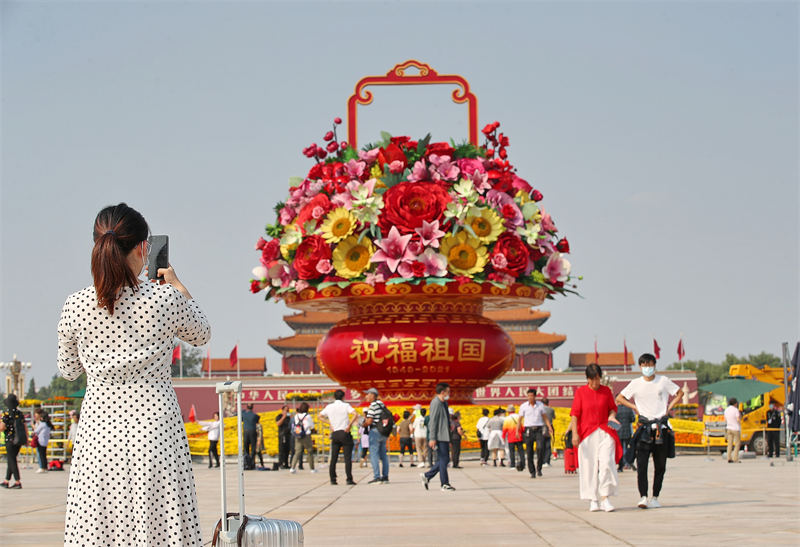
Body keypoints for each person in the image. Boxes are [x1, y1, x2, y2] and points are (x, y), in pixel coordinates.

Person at [57, 203, 211, 546]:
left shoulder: (76, 304)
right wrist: (178, 285)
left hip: (99, 433)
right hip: (155, 429)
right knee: (160, 523)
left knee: (101, 525)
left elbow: (68, 370)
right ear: (144, 247)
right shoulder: (164, 298)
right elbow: (201, 333)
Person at [617, 353, 683, 510]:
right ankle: (643, 496)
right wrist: (635, 408)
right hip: (644, 428)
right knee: (641, 465)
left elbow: (680, 392)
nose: (647, 368)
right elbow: (620, 398)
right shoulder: (635, 383)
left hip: (661, 427)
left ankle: (655, 496)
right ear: (640, 367)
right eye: (644, 365)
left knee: (660, 465)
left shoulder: (663, 381)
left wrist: (669, 407)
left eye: (650, 365)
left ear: (655, 365)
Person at [569, 364, 622, 512]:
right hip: (587, 433)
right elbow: (575, 414)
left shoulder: (606, 391)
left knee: (607, 463)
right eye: (592, 380)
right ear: (587, 379)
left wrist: (612, 416)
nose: (595, 383)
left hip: (606, 432)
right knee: (589, 466)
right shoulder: (581, 392)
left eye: (597, 379)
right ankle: (593, 498)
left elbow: (612, 408)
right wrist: (575, 433)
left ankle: (605, 498)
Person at [420, 383, 455, 491]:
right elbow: (433, 421)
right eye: (448, 392)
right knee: (444, 459)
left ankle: (427, 476)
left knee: (444, 459)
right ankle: (444, 483)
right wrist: (432, 437)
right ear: (442, 392)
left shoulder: (444, 403)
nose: (449, 394)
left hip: (444, 435)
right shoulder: (435, 403)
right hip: (439, 436)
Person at [319, 389, 356, 485]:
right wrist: (349, 425)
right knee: (347, 458)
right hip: (344, 432)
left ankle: (333, 479)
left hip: (335, 433)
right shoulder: (346, 405)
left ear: (334, 397)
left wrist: (330, 423)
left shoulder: (329, 406)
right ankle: (349, 478)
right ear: (343, 397)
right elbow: (355, 414)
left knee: (334, 458)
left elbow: (320, 416)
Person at [519, 388, 554, 478]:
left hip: (539, 429)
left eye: (532, 396)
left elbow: (545, 417)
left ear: (535, 396)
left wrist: (549, 427)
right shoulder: (523, 406)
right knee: (529, 451)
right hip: (528, 429)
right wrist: (517, 431)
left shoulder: (540, 405)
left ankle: (539, 468)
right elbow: (520, 419)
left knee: (540, 448)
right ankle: (532, 471)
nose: (530, 398)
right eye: (528, 396)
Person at [363, 387, 391, 484]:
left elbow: (370, 421)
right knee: (383, 455)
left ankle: (377, 476)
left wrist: (363, 424)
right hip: (383, 431)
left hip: (375, 431)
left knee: (374, 454)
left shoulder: (373, 406)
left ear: (372, 395)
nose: (366, 396)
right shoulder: (381, 404)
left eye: (368, 394)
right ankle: (385, 476)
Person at [0, 394, 25, 489]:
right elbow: (24, 427)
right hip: (18, 440)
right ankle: (6, 480)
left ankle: (17, 481)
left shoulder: (6, 414)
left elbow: (2, 427)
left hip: (9, 440)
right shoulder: (20, 413)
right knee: (11, 459)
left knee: (12, 460)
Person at [290, 402, 316, 473]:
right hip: (306, 435)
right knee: (310, 451)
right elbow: (312, 426)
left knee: (297, 452)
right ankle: (312, 468)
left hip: (298, 435)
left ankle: (292, 467)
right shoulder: (308, 416)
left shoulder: (296, 416)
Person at [503, 404, 524, 471]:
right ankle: (523, 464)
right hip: (519, 436)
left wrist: (503, 437)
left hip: (511, 438)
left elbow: (504, 430)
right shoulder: (519, 417)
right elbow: (523, 427)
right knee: (521, 451)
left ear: (508, 411)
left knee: (511, 452)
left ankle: (512, 465)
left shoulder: (507, 419)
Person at [33, 409, 54, 473]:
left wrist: (33, 426)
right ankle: (45, 467)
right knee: (44, 455)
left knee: (41, 455)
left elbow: (36, 431)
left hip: (40, 440)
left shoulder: (42, 424)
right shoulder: (48, 424)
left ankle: (42, 467)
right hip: (45, 441)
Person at [616, 403, 635, 472]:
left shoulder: (616, 409)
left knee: (620, 449)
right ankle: (628, 463)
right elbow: (633, 419)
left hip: (618, 431)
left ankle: (620, 466)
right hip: (627, 431)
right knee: (627, 448)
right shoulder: (629, 409)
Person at [240, 404, 260, 470]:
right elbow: (257, 420)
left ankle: (246, 463)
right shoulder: (255, 415)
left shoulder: (243, 414)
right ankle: (252, 463)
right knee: (253, 448)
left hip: (246, 432)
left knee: (246, 448)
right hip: (252, 431)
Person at [724, 398, 742, 463]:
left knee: (730, 444)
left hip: (728, 428)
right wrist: (740, 422)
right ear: (735, 403)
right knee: (737, 444)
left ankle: (729, 458)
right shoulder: (736, 410)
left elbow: (725, 420)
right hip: (735, 428)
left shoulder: (726, 410)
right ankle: (735, 458)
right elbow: (738, 419)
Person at [541, 398, 556, 467]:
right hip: (549, 427)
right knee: (548, 445)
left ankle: (542, 461)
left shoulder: (540, 409)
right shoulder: (551, 409)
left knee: (541, 445)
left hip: (541, 427)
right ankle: (547, 461)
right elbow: (554, 417)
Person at [275, 404, 291, 469]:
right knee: (282, 450)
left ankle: (286, 464)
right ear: (283, 410)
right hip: (282, 435)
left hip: (288, 435)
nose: (287, 412)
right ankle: (280, 463)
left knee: (287, 450)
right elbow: (278, 424)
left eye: (288, 410)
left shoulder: (289, 417)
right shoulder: (279, 416)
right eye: (286, 410)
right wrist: (283, 417)